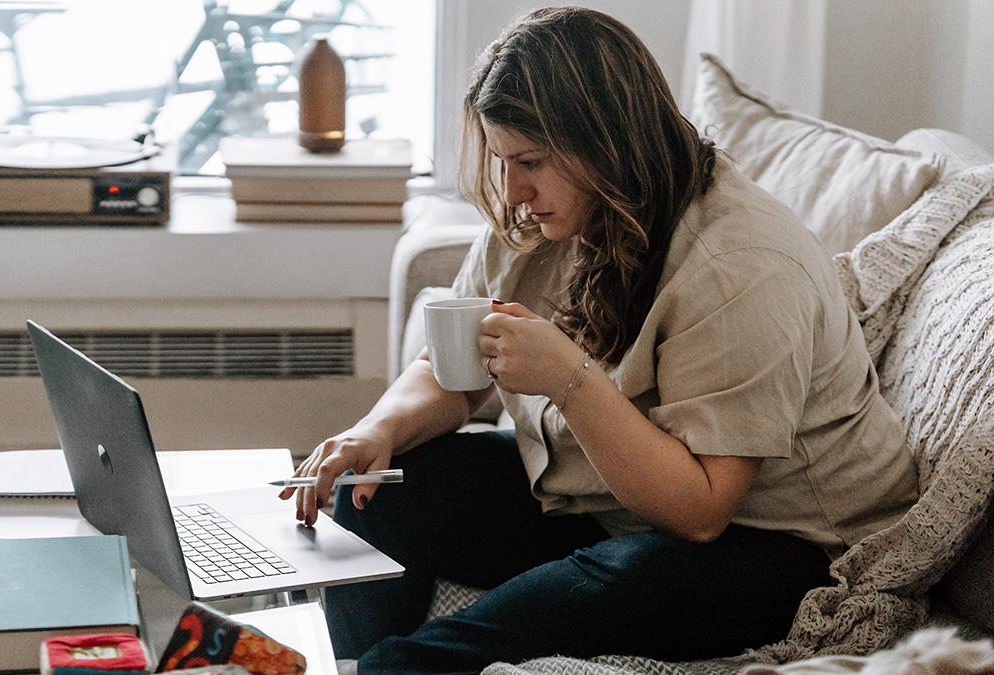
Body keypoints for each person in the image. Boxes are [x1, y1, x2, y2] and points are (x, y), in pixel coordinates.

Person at [279, 7, 919, 675]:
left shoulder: (739, 263)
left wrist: (568, 377)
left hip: (777, 542)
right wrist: (376, 429)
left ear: (609, 142)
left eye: (530, 161)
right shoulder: (544, 215)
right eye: (502, 160)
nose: (513, 190)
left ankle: (387, 669)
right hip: (604, 498)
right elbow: (451, 369)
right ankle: (346, 656)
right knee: (372, 484)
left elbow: (699, 511)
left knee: (630, 575)